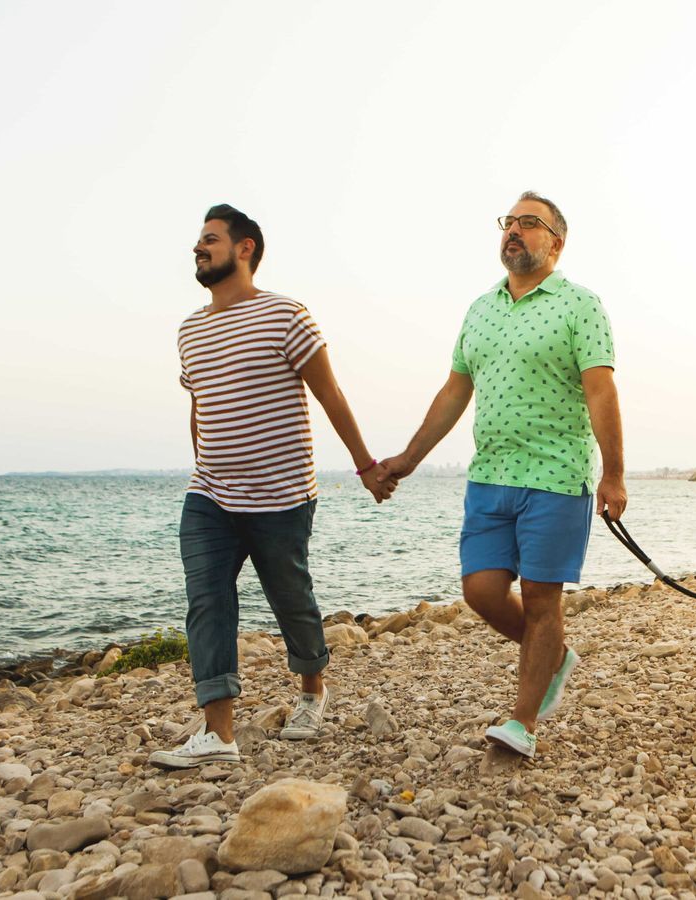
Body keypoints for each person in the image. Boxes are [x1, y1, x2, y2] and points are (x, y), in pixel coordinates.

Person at [150, 204, 396, 768]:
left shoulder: (287, 315)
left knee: (291, 598)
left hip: (282, 495)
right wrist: (204, 463)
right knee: (207, 600)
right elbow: (200, 405)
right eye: (198, 240)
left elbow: (329, 394)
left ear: (245, 249)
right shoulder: (190, 330)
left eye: (210, 239)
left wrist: (365, 466)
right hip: (210, 494)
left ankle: (313, 690)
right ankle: (219, 733)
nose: (198, 248)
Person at [381, 191, 624, 758]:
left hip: (557, 476)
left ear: (556, 243)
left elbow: (601, 392)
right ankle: (553, 656)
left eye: (528, 222)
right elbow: (454, 392)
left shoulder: (580, 305)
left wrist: (613, 475)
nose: (513, 230)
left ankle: (523, 722)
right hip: (490, 475)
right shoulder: (480, 309)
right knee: (481, 591)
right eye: (508, 221)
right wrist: (408, 459)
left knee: (541, 599)